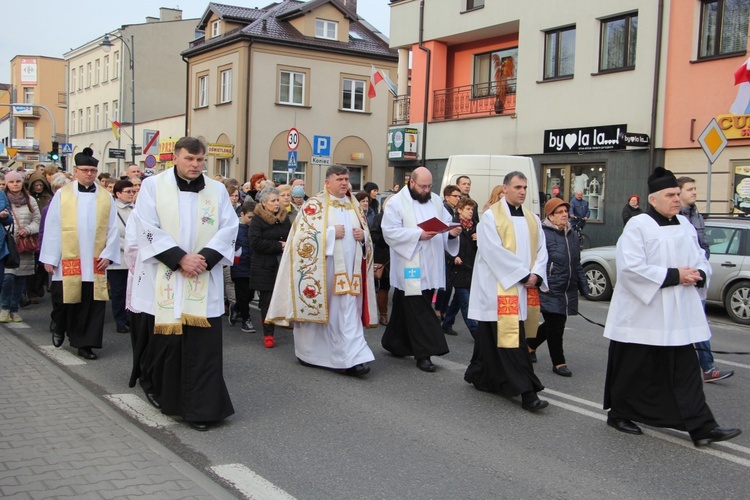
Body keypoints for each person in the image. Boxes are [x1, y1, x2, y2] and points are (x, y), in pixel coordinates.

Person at [602, 167, 741, 446]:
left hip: (678, 314)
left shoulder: (685, 224)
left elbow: (700, 257)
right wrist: (677, 275)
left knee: (686, 370)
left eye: (678, 194)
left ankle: (702, 428)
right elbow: (630, 269)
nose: (676, 199)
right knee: (634, 367)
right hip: (644, 313)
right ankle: (619, 413)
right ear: (653, 199)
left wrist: (699, 274)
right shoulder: (638, 225)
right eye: (670, 194)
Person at [128, 136, 237, 431]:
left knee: (203, 347)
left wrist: (203, 258)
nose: (195, 165)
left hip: (203, 275)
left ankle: (202, 409)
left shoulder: (216, 190)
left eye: (200, 160)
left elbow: (230, 226)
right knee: (169, 344)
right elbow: (146, 227)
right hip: (168, 276)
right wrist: (179, 259)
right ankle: (169, 398)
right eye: (190, 159)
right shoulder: (153, 186)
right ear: (175, 157)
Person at [267, 165, 376, 376]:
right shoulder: (313, 205)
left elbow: (367, 237)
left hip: (350, 274)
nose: (345, 183)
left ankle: (354, 357)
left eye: (347, 179)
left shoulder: (354, 205)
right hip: (322, 272)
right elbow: (300, 239)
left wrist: (363, 237)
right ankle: (310, 354)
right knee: (320, 313)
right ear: (328, 182)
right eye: (340, 179)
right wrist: (330, 233)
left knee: (348, 312)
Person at [463, 171, 550, 412]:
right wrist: (523, 275)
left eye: (525, 187)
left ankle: (480, 374)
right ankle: (527, 392)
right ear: (505, 188)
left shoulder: (533, 218)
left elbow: (542, 250)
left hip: (522, 287)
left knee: (491, 339)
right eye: (518, 187)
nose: (522, 191)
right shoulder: (492, 216)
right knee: (512, 341)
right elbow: (492, 251)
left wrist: (537, 274)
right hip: (498, 289)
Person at [40, 148, 120, 360]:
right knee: (63, 300)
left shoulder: (105, 197)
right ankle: (59, 325)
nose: (89, 174)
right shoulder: (62, 195)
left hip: (94, 261)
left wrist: (109, 253)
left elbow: (113, 228)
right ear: (75, 171)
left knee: (91, 305)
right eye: (85, 170)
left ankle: (85, 344)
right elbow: (53, 226)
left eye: (93, 170)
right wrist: (49, 257)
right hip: (67, 258)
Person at [381, 167, 461, 372]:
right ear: (411, 182)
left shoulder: (435, 200)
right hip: (411, 264)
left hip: (431, 264)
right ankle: (425, 353)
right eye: (423, 186)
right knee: (420, 308)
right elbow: (389, 232)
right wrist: (418, 235)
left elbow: (443, 225)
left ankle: (394, 342)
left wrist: (451, 233)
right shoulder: (397, 203)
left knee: (405, 305)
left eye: (429, 186)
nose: (426, 190)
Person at [677, 176, 734, 383]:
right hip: (681, 280)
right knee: (680, 326)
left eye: (695, 189)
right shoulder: (675, 217)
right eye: (690, 189)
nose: (694, 192)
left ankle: (707, 368)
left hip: (696, 281)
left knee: (697, 324)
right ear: (679, 192)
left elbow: (704, 246)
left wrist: (700, 270)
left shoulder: (695, 214)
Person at [527, 198, 589, 377]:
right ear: (550, 216)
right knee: (556, 324)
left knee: (554, 323)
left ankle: (530, 345)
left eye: (565, 212)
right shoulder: (543, 233)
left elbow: (576, 262)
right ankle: (558, 362)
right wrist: (541, 281)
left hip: (567, 287)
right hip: (549, 286)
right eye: (559, 212)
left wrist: (583, 285)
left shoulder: (571, 233)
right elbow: (537, 261)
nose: (564, 215)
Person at [248, 186, 291, 348]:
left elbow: (290, 233)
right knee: (266, 299)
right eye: (273, 200)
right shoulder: (258, 219)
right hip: (264, 265)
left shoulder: (284, 216)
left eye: (278, 200)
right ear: (264, 203)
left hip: (282, 264)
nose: (277, 203)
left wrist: (288, 243)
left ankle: (278, 320)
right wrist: (278, 246)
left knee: (281, 296)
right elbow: (255, 242)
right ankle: (268, 333)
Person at [0, 171, 40, 323]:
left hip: (24, 246)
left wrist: (28, 230)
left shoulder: (29, 200)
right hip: (8, 245)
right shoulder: (3, 199)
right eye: (11, 182)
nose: (15, 184)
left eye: (17, 181)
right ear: (7, 184)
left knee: (20, 280)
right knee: (8, 278)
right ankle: (5, 308)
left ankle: (14, 309)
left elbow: (37, 219)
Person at [441, 197, 478, 338]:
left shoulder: (476, 226)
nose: (471, 212)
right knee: (466, 302)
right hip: (457, 267)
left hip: (470, 267)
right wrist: (452, 258)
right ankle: (477, 333)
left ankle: (446, 324)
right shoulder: (453, 225)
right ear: (460, 210)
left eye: (472, 209)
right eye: (468, 209)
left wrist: (479, 238)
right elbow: (443, 246)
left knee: (458, 299)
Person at [107, 180, 135, 334]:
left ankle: (131, 318)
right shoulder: (112, 210)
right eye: (128, 191)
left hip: (135, 258)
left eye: (133, 191)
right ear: (118, 194)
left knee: (132, 290)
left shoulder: (136, 209)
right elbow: (112, 234)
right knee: (119, 291)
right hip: (118, 258)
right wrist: (131, 245)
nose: (131, 194)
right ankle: (120, 320)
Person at [26, 170, 54, 305]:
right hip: (31, 235)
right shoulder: (28, 198)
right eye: (36, 185)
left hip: (43, 233)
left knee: (42, 265)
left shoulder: (48, 197)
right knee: (31, 265)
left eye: (40, 185)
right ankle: (31, 290)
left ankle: (38, 286)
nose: (38, 187)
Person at [434, 184, 461, 321]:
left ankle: (444, 310)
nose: (458, 199)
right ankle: (438, 310)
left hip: (451, 250)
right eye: (455, 196)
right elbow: (441, 231)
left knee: (449, 285)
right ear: (447, 197)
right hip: (444, 253)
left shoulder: (454, 211)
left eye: (459, 196)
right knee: (444, 285)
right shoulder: (443, 209)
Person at [231, 199, 256, 333]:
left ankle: (236, 307)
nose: (252, 220)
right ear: (242, 214)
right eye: (249, 217)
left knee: (250, 294)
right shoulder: (235, 228)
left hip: (253, 265)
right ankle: (246, 319)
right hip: (239, 264)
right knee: (243, 294)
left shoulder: (256, 228)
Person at [370, 194, 393, 326]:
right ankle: (383, 315)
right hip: (384, 256)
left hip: (401, 256)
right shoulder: (380, 217)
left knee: (404, 287)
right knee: (384, 287)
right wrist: (388, 239)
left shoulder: (403, 218)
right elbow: (373, 235)